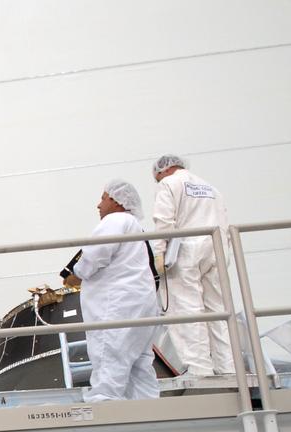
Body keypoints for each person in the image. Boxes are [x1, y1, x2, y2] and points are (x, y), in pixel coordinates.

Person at [64, 180, 161, 401]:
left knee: (109, 361)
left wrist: (77, 273)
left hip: (118, 308)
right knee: (139, 367)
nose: (99, 205)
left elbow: (94, 256)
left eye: (103, 198)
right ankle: (150, 412)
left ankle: (103, 414)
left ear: (117, 201)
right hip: (142, 308)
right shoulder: (137, 229)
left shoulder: (116, 220)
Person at [151, 155, 234, 377]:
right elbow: (224, 222)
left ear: (162, 172)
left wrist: (159, 253)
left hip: (187, 250)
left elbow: (164, 222)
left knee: (188, 309)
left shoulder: (169, 184)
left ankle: (200, 369)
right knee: (219, 311)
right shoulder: (211, 188)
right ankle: (229, 367)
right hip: (216, 249)